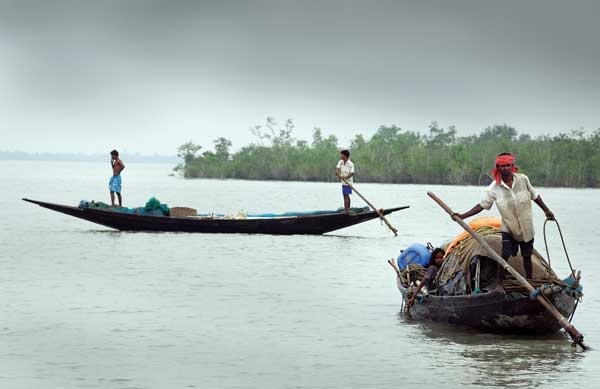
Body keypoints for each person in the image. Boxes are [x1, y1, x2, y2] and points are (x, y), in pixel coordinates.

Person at [454, 152, 554, 283]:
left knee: (527, 256)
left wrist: (546, 210)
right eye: (503, 166)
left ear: (512, 166)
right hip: (509, 226)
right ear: (498, 168)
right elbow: (483, 205)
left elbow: (535, 196)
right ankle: (499, 283)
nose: (506, 168)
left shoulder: (523, 179)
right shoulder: (494, 187)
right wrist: (462, 216)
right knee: (505, 255)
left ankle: (530, 282)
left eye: (508, 165)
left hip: (526, 225)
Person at [405, 248, 445, 312]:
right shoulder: (432, 268)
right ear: (433, 259)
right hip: (433, 291)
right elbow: (423, 281)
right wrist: (413, 297)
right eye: (437, 258)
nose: (439, 260)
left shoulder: (444, 267)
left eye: (441, 257)